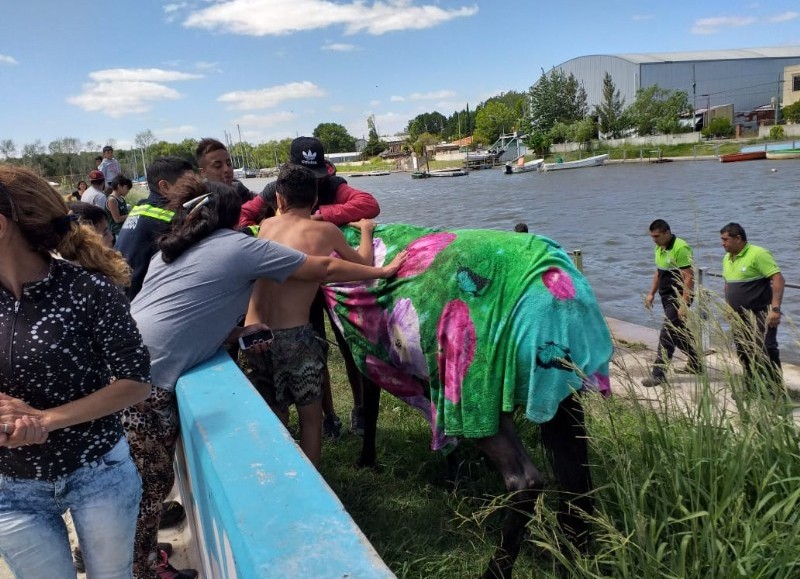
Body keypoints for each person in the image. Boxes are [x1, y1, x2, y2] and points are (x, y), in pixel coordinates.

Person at [126, 177, 405, 578]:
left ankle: (145, 554)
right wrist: (384, 268)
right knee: (150, 480)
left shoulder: (169, 253)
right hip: (146, 382)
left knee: (144, 473)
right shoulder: (240, 246)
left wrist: (233, 333)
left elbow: (183, 308)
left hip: (130, 364)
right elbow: (324, 266)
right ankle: (142, 567)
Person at [0, 164, 151, 577]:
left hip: (97, 471)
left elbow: (135, 380)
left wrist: (44, 420)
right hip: (9, 487)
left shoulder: (88, 290)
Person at [239, 136, 381, 437]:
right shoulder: (276, 189)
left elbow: (369, 203)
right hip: (309, 283)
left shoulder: (333, 184)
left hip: (324, 282)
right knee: (313, 349)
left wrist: (323, 215)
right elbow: (244, 213)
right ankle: (327, 415)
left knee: (347, 344)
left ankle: (358, 410)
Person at [114, 156, 195, 300]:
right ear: (164, 186)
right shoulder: (167, 217)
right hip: (141, 301)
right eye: (188, 183)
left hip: (123, 295)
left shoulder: (140, 207)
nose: (194, 188)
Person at [720, 222, 785, 388]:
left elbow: (778, 279)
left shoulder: (758, 253)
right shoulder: (727, 258)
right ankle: (751, 386)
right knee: (743, 351)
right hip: (738, 315)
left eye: (725, 239)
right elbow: (728, 284)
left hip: (761, 312)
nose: (723, 243)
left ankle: (775, 391)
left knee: (766, 350)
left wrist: (775, 309)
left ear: (738, 238)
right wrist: (728, 306)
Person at [642, 219, 701, 387]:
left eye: (657, 236)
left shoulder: (680, 247)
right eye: (652, 237)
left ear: (667, 233)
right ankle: (696, 363)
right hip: (665, 296)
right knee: (678, 331)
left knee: (667, 332)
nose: (654, 240)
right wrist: (651, 293)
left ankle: (658, 373)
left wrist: (684, 304)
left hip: (679, 296)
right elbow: (659, 273)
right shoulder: (659, 247)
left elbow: (689, 277)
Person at [195, 137, 254, 204]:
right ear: (202, 173)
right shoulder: (199, 205)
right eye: (218, 166)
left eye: (229, 164)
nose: (227, 169)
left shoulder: (240, 191)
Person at [106, 174, 133, 240]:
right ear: (119, 186)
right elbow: (117, 219)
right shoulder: (112, 200)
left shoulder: (122, 198)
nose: (128, 191)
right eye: (127, 188)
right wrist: (132, 214)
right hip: (117, 233)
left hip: (125, 229)